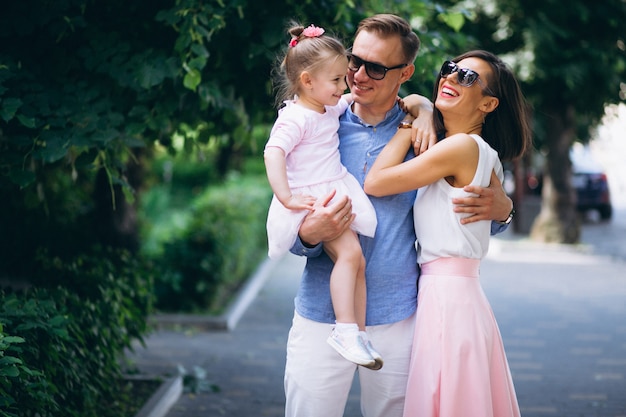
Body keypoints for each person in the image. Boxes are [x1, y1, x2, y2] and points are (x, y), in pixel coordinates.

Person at [284, 14, 516, 417]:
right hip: (322, 313)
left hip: (401, 317)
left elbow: (468, 211)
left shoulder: (431, 136)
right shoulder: (316, 125)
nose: (357, 75)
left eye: (375, 67)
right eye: (354, 61)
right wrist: (307, 235)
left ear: (405, 72)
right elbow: (284, 215)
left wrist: (505, 210)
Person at [364, 50, 531, 417]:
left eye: (468, 77)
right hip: (458, 297)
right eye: (450, 70)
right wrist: (424, 109)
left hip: (448, 301)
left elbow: (375, 183)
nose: (451, 78)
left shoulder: (461, 147)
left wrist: (408, 128)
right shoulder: (478, 151)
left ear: (488, 104)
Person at [264, 23, 381, 368]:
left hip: (332, 187)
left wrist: (417, 104)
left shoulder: (328, 107)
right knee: (348, 255)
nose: (343, 86)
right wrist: (286, 198)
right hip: (314, 198)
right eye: (336, 80)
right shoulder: (295, 118)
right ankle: (345, 330)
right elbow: (273, 153)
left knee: (356, 259)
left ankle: (357, 332)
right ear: (307, 81)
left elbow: (350, 101)